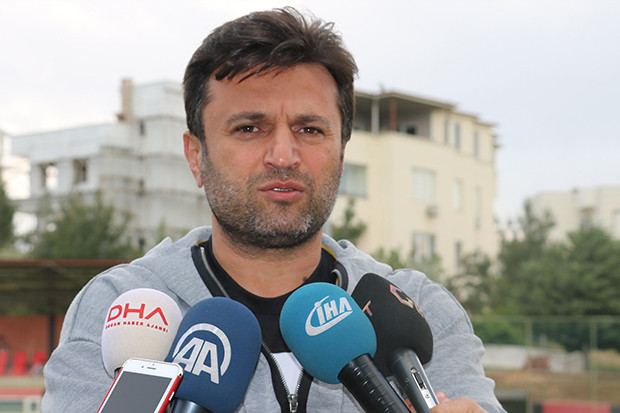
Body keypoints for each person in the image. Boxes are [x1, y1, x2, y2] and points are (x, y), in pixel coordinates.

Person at [41, 7, 505, 413]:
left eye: (309, 130)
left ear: (342, 153)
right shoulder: (122, 307)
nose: (284, 155)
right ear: (195, 155)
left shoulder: (417, 311)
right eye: (249, 128)